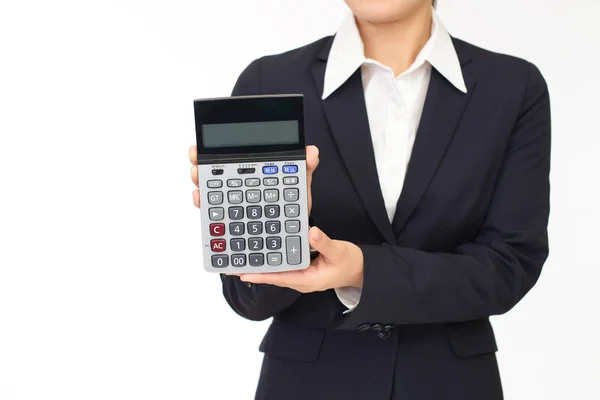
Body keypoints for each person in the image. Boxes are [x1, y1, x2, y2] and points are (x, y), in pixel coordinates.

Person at [189, 0, 551, 398]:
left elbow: (508, 265)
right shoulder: (269, 80)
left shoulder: (513, 87)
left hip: (450, 384)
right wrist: (286, 228)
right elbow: (248, 297)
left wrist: (363, 271)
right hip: (306, 386)